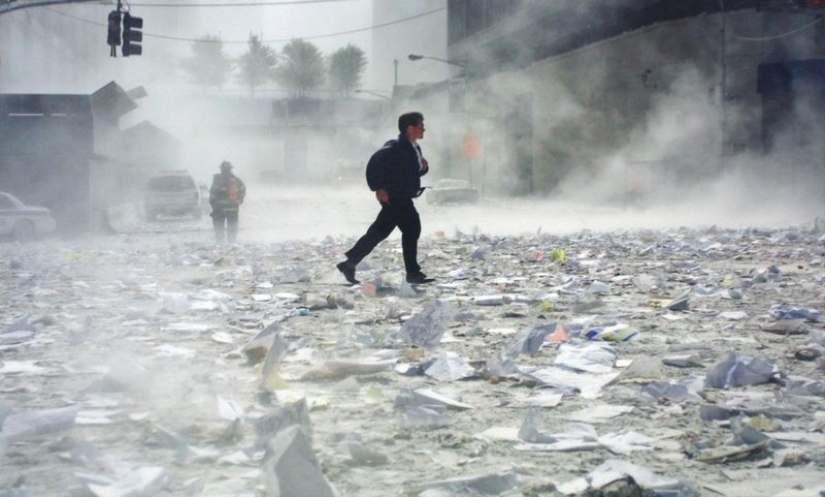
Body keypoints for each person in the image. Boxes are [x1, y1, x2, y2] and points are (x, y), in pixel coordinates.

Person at [337, 111, 434, 285]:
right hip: (396, 197)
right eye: (421, 126)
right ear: (410, 129)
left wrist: (423, 168)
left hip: (401, 196)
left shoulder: (414, 148)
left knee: (379, 232)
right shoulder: (395, 146)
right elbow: (374, 164)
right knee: (412, 229)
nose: (424, 129)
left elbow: (409, 172)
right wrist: (378, 188)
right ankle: (413, 273)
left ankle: (350, 263)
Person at [209, 160, 246, 243]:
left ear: (221, 169)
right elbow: (242, 191)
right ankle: (232, 241)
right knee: (232, 225)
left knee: (219, 225)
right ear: (230, 169)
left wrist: (213, 204)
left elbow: (213, 193)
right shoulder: (237, 181)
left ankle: (220, 241)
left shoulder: (218, 180)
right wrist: (239, 200)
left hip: (220, 208)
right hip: (233, 208)